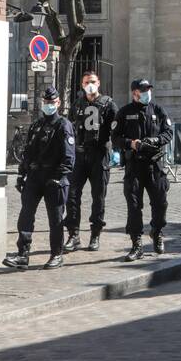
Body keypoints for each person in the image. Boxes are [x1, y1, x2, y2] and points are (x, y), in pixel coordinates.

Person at [3, 87, 75, 271]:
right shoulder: (37, 125)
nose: (49, 105)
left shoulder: (63, 125)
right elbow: (28, 152)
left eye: (52, 102)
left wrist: (59, 176)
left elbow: (69, 156)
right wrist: (21, 173)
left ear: (58, 103)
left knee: (56, 218)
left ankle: (56, 254)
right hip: (35, 176)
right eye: (46, 102)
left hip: (54, 177)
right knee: (26, 215)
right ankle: (22, 255)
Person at [113, 78, 173, 261]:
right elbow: (115, 138)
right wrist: (131, 143)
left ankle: (157, 231)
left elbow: (168, 132)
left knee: (160, 202)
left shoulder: (157, 110)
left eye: (148, 89)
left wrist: (156, 140)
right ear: (134, 93)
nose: (147, 93)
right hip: (134, 165)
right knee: (134, 205)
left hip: (154, 165)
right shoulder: (124, 112)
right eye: (143, 90)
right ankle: (136, 242)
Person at [63, 70, 118, 253]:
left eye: (93, 81)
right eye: (87, 81)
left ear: (99, 83)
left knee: (98, 197)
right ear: (82, 84)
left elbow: (117, 128)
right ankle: (73, 234)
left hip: (99, 155)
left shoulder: (108, 104)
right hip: (79, 155)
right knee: (72, 196)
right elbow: (69, 129)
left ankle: (95, 234)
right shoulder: (77, 104)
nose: (90, 84)